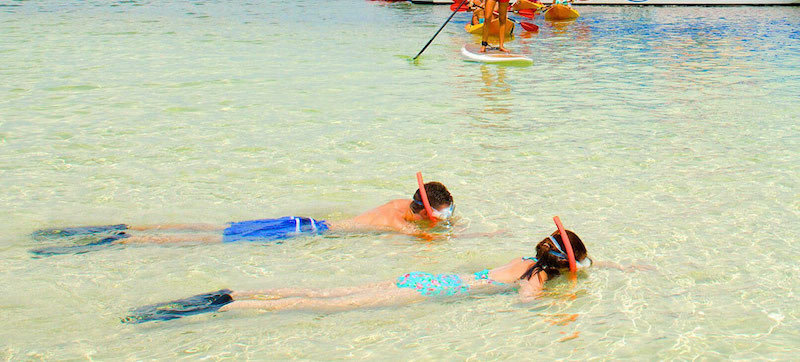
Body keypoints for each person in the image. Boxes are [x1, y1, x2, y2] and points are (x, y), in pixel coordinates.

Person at [123, 222, 591, 323]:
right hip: (436, 295)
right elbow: (525, 301)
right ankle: (230, 305)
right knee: (327, 304)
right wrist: (561, 306)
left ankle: (235, 291)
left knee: (326, 290)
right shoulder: (538, 278)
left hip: (429, 280)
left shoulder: (524, 260)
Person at [30, 175, 455, 256]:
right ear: (426, 213)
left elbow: (424, 224)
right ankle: (125, 239)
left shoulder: (398, 206)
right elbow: (425, 238)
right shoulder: (402, 223)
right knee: (211, 240)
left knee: (214, 230)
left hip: (299, 222)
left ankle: (122, 231)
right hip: (300, 234)